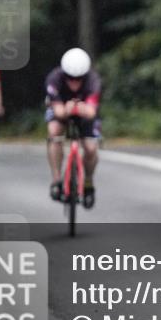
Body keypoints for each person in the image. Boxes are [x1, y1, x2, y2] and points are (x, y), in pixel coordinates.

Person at [45, 48, 102, 207]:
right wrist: (69, 109)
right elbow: (58, 111)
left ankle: (89, 183)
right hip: (61, 111)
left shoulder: (93, 80)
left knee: (91, 147)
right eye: (70, 78)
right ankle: (56, 180)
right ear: (64, 74)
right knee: (54, 132)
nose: (74, 83)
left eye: (79, 79)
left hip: (84, 115)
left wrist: (78, 108)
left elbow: (91, 112)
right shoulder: (54, 79)